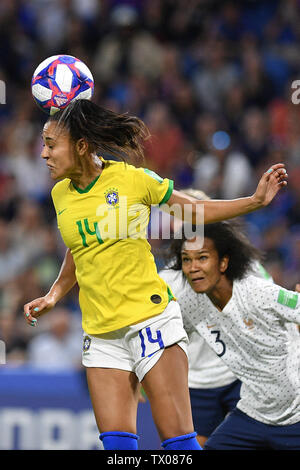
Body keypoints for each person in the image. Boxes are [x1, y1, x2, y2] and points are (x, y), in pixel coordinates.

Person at [23, 99, 287, 451]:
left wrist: (253, 201)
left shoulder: (132, 180)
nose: (43, 153)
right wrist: (55, 293)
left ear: (82, 146)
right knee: (118, 449)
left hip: (152, 322)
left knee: (179, 445)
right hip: (101, 333)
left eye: (50, 144)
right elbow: (79, 245)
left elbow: (192, 209)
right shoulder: (60, 195)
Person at [166, 220, 300, 450]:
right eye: (186, 259)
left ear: (223, 262)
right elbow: (162, 340)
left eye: (202, 258)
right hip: (252, 414)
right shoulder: (189, 303)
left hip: (296, 415)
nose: (193, 267)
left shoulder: (258, 293)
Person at [160, 189, 273, 447]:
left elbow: (271, 307)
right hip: (194, 384)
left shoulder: (245, 266)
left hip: (241, 376)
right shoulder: (167, 282)